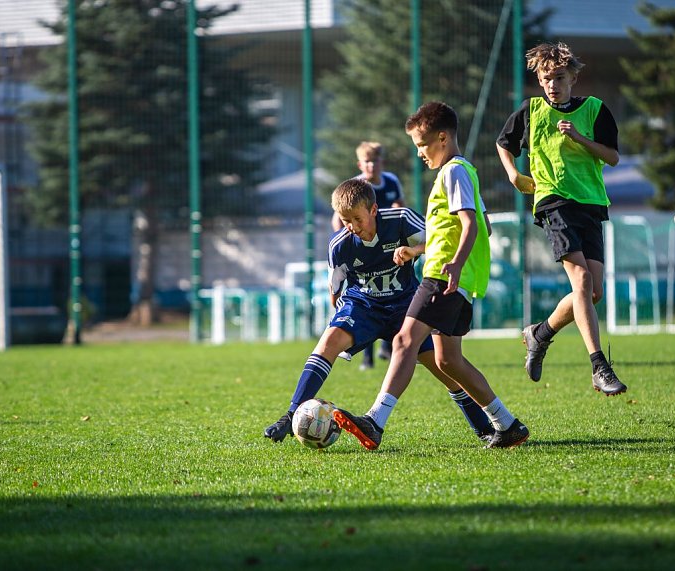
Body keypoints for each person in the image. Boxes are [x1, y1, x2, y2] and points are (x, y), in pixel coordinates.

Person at [332, 101, 529, 450]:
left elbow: (470, 224)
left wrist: (453, 262)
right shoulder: (465, 172)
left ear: (442, 138)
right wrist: (416, 251)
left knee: (404, 341)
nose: (419, 153)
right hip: (459, 279)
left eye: (422, 145)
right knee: (447, 360)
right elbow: (484, 227)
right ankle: (507, 424)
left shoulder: (453, 172)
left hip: (443, 276)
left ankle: (375, 421)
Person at [264, 177, 495, 444]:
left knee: (443, 366)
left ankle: (485, 428)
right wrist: (342, 319)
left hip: (405, 305)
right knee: (328, 342)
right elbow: (335, 288)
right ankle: (290, 415)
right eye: (345, 220)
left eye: (357, 219)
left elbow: (440, 242)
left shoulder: (402, 219)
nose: (352, 227)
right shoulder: (339, 245)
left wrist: (414, 250)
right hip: (363, 305)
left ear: (373, 210)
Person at [495, 41, 626, 396]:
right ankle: (599, 366)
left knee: (592, 293)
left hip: (591, 202)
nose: (552, 84)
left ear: (573, 78)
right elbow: (504, 143)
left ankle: (539, 334)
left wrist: (579, 138)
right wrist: (513, 174)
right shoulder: (531, 110)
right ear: (539, 80)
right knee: (581, 279)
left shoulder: (595, 109)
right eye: (546, 78)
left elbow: (612, 157)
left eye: (559, 77)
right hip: (553, 201)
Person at [332, 142, 405, 370]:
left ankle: (388, 345)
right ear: (360, 165)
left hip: (388, 246)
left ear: (382, 162)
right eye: (367, 162)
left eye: (375, 161)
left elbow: (399, 207)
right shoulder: (355, 187)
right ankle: (367, 357)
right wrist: (345, 241)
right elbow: (340, 217)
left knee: (393, 292)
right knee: (366, 296)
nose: (372, 165)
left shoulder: (391, 181)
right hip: (363, 247)